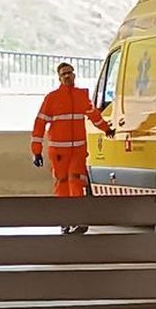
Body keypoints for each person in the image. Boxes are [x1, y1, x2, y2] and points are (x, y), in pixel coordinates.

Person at [31, 62, 115, 234]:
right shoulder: (52, 98)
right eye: (64, 74)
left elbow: (94, 116)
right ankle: (65, 221)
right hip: (59, 152)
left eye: (69, 73)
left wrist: (106, 129)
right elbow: (40, 124)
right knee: (62, 184)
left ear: (74, 75)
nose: (67, 76)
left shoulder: (81, 96)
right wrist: (36, 151)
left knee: (76, 182)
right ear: (59, 78)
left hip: (78, 151)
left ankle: (78, 219)